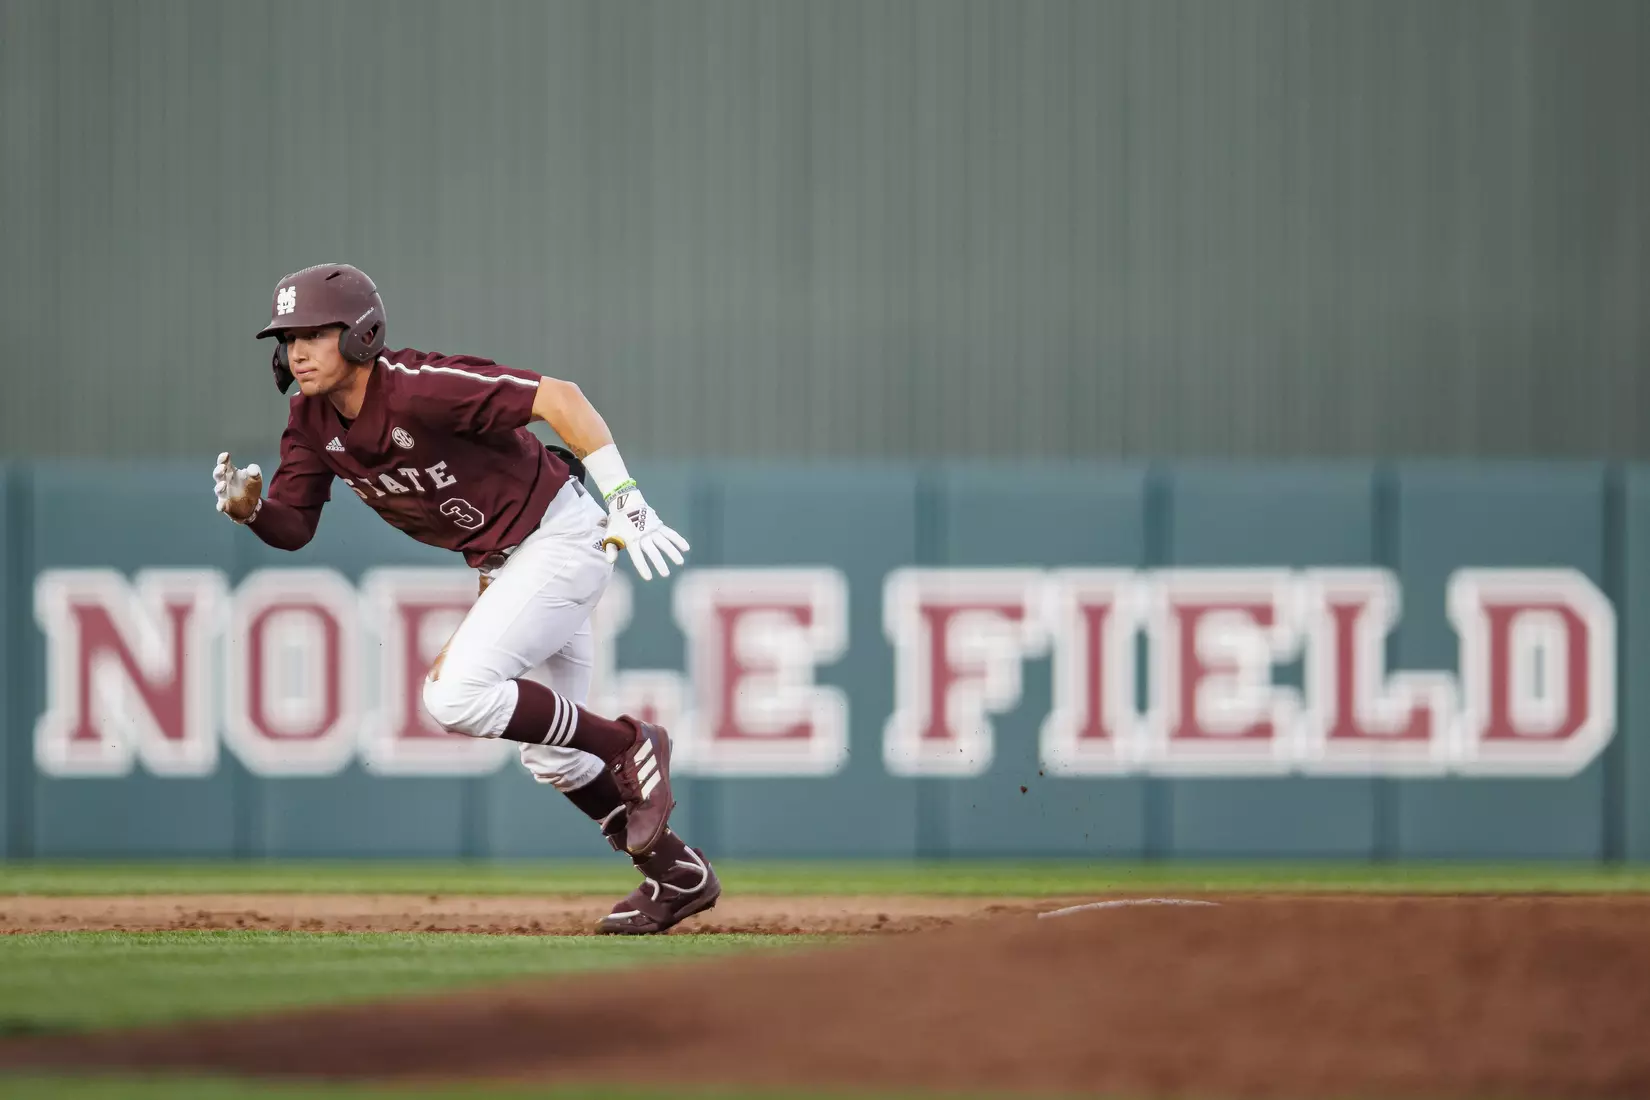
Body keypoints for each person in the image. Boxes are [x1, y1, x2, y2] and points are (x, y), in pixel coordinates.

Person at [212, 263, 718, 933]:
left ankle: (630, 742)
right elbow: (296, 525)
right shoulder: (309, 421)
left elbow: (559, 398)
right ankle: (679, 878)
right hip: (508, 564)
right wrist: (254, 512)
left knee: (453, 696)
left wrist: (624, 496)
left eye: (314, 333)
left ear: (362, 334)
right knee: (554, 755)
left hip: (563, 537)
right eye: (288, 338)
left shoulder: (421, 389)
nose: (296, 351)